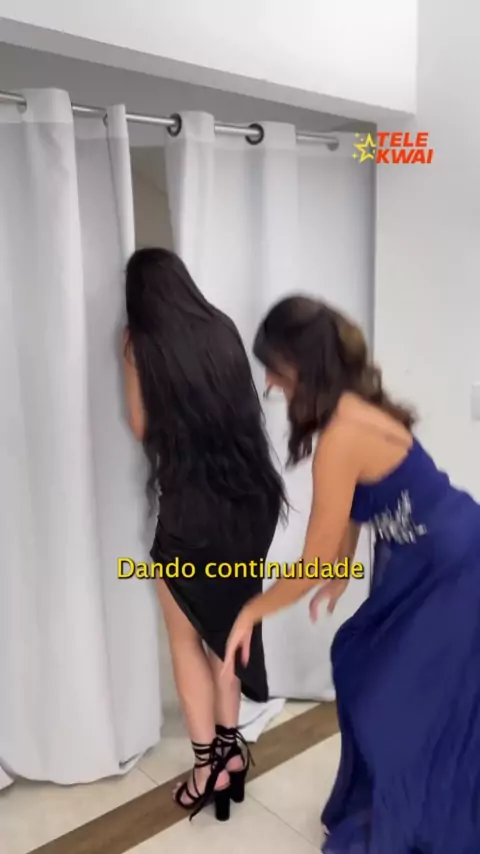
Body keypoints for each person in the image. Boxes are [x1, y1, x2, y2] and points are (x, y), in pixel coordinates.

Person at [223, 294, 480, 852]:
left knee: (401, 694)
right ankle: (401, 800)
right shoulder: (353, 410)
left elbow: (313, 557)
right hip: (431, 558)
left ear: (303, 366)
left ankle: (424, 813)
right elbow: (359, 505)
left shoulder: (342, 434)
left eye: (275, 368)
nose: (270, 382)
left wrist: (251, 611)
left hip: (456, 568)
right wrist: (339, 572)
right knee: (362, 660)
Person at [122, 248, 286, 822]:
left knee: (186, 639)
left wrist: (131, 360)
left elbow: (141, 426)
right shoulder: (221, 327)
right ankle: (230, 754)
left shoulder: (140, 343)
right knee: (229, 631)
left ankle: (205, 769)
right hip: (251, 507)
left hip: (192, 515)